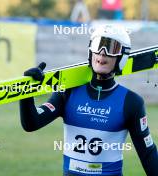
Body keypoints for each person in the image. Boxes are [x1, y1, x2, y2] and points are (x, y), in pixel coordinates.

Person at [19, 25, 158, 176]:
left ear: (122, 56)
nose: (102, 53)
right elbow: (31, 123)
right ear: (90, 50)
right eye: (98, 45)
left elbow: (147, 153)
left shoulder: (131, 102)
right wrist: (27, 91)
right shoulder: (68, 92)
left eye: (111, 48)